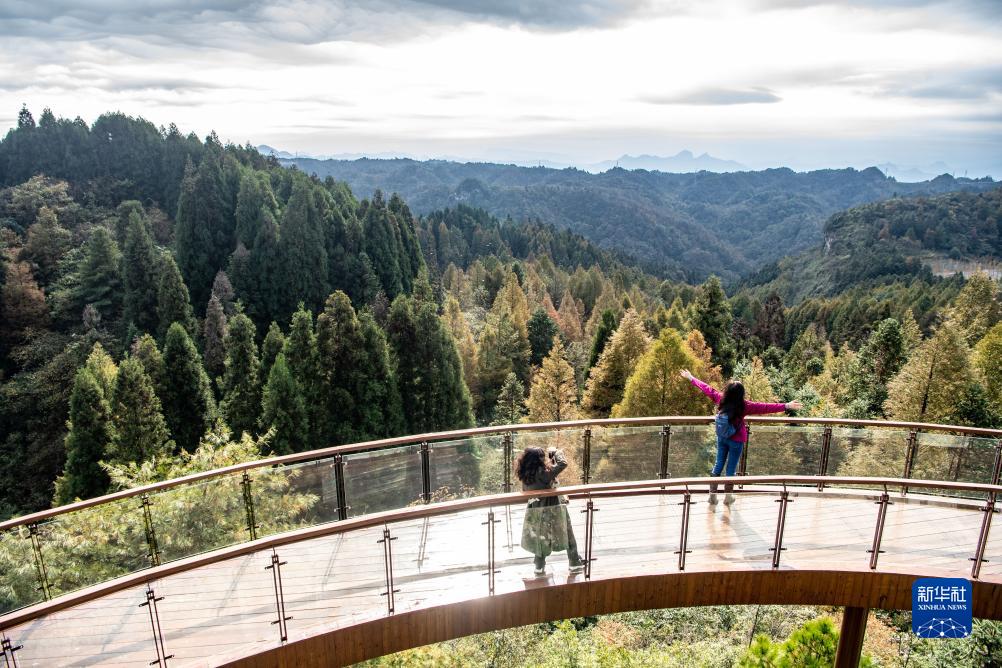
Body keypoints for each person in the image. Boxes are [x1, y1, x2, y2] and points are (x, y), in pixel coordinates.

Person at [680, 369, 802, 506]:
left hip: (722, 437)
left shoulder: (721, 399)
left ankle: (712, 496)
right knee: (731, 468)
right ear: (741, 394)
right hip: (736, 441)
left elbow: (707, 389)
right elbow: (765, 407)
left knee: (718, 464)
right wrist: (786, 406)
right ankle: (728, 497)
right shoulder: (745, 406)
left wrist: (691, 378)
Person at [516, 446, 585, 576]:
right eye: (542, 456)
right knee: (568, 534)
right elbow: (562, 464)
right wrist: (557, 452)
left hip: (535, 510)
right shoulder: (543, 473)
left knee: (541, 538)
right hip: (553, 509)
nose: (544, 459)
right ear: (538, 460)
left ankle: (539, 566)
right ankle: (574, 563)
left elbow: (543, 482)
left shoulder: (525, 474)